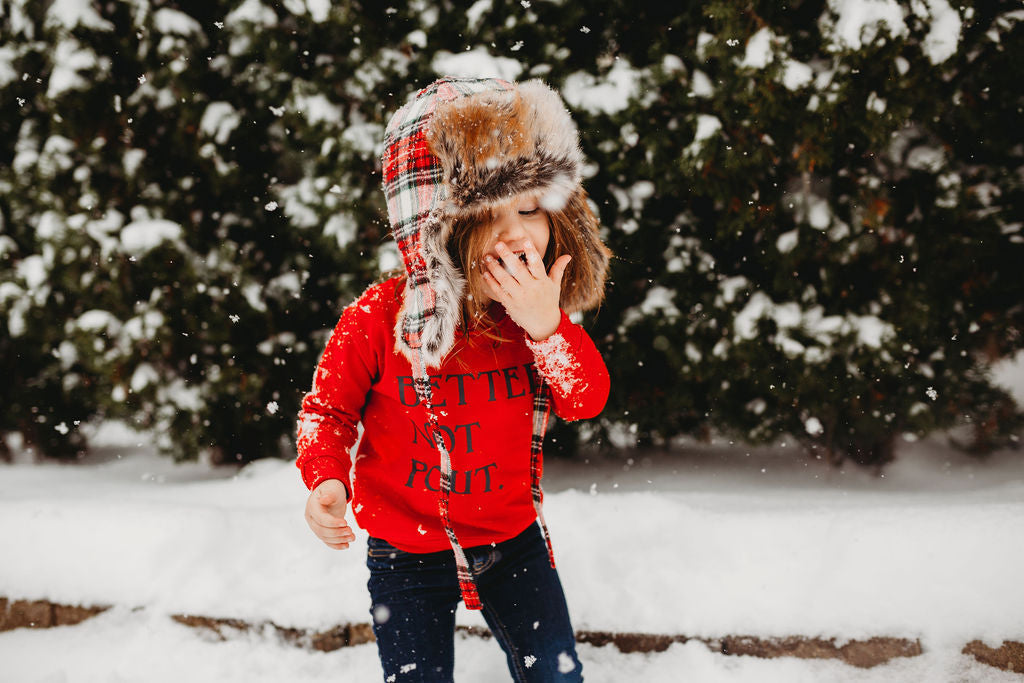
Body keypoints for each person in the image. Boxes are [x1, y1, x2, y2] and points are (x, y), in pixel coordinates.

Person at [295, 77, 612, 682]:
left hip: (512, 539)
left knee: (556, 674)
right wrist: (326, 478)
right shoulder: (377, 319)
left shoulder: (536, 318)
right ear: (439, 231)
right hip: (404, 552)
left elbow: (585, 399)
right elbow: (326, 411)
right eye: (489, 217)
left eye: (530, 209)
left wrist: (548, 329)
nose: (519, 233)